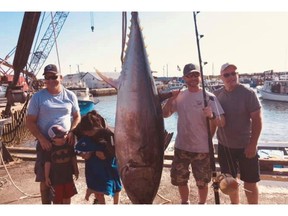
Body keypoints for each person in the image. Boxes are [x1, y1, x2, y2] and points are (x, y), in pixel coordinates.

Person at [162, 63, 225, 204]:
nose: (193, 78)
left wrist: (212, 115)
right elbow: (165, 114)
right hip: (181, 146)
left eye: (196, 75)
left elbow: (222, 122)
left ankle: (201, 205)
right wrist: (171, 98)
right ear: (184, 78)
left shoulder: (209, 97)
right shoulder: (180, 96)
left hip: (202, 148)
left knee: (202, 182)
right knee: (180, 180)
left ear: (200, 77)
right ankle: (185, 203)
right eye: (189, 75)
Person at [26, 64, 81, 204]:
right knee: (44, 179)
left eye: (54, 77)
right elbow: (30, 121)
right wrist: (41, 139)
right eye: (47, 77)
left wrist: (72, 132)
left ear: (60, 77)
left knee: (65, 178)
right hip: (46, 145)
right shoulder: (38, 97)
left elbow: (77, 116)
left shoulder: (70, 95)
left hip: (65, 144)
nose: (50, 80)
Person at [212, 63, 262, 204]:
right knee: (230, 183)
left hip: (246, 147)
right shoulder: (216, 96)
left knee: (250, 183)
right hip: (225, 147)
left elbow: (257, 120)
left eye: (234, 73)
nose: (231, 77)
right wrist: (209, 140)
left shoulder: (248, 94)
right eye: (227, 74)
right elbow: (213, 121)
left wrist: (253, 144)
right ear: (221, 77)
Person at [73, 110, 122, 204]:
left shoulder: (109, 133)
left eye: (89, 133)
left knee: (116, 185)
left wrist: (106, 155)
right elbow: (77, 145)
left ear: (97, 128)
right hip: (94, 163)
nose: (87, 135)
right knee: (97, 185)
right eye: (85, 133)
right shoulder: (81, 129)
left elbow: (118, 150)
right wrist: (83, 154)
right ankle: (99, 201)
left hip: (110, 162)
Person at [44, 125, 79, 204]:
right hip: (55, 179)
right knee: (57, 199)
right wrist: (46, 177)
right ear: (53, 139)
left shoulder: (69, 145)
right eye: (60, 136)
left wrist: (76, 170)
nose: (64, 137)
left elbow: (73, 159)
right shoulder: (50, 149)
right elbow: (47, 163)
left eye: (64, 134)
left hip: (68, 177)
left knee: (67, 197)